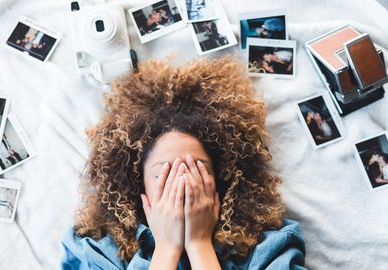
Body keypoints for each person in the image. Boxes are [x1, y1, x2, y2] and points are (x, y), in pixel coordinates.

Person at [61, 57, 305, 269]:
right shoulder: (95, 248)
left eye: (196, 169)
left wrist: (199, 245)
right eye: (163, 173)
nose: (182, 182)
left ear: (219, 181)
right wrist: (166, 248)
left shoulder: (271, 245)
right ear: (139, 186)